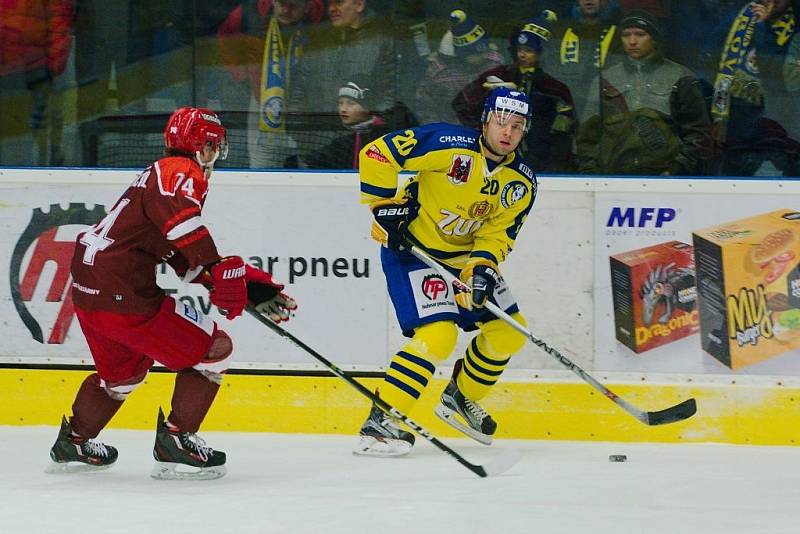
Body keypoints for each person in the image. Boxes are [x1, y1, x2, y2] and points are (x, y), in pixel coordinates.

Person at [47, 107, 298, 479]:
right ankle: (177, 441)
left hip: (90, 286)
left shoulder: (158, 173)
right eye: (213, 146)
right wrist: (221, 272)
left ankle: (75, 441)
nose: (215, 155)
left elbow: (176, 250)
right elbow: (186, 231)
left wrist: (241, 282)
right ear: (202, 145)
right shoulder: (182, 172)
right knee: (215, 351)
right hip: (123, 291)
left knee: (122, 375)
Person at [355, 88, 536, 456]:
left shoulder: (521, 183)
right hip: (413, 254)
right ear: (485, 120)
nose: (508, 131)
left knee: (509, 332)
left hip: (464, 260)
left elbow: (497, 234)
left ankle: (459, 398)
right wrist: (382, 206)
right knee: (438, 335)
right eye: (501, 121)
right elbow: (377, 154)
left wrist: (481, 268)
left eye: (517, 126)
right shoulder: (446, 143)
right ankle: (382, 419)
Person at [577, 10, 711, 175]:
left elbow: (698, 135)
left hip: (665, 178)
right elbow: (586, 137)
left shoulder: (680, 77)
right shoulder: (606, 79)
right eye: (626, 35)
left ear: (654, 39)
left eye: (640, 34)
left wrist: (675, 171)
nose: (632, 41)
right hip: (612, 178)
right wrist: (591, 173)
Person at [452, 11, 577, 172]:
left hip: (541, 159)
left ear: (541, 52)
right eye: (520, 49)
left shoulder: (555, 88)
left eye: (529, 50)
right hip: (495, 155)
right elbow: (461, 104)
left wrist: (554, 162)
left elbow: (564, 132)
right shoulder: (498, 75)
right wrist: (483, 129)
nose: (522, 54)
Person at [217, 0, 324, 168]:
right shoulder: (249, 11)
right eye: (282, 3)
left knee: (310, 159)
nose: (286, 10)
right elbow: (225, 35)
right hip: (264, 97)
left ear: (307, 6)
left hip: (306, 101)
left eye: (294, 5)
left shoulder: (319, 14)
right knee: (262, 161)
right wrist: (242, 75)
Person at [302, 77, 415, 169]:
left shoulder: (386, 135)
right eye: (340, 103)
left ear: (367, 107)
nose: (343, 109)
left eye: (350, 103)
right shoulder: (344, 140)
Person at [415, 10, 504, 125]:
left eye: (485, 50)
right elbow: (424, 105)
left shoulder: (495, 63)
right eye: (476, 53)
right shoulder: (439, 72)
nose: (483, 56)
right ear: (462, 55)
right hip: (447, 129)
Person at [544, 0, 619, 118]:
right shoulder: (560, 30)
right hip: (564, 103)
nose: (589, 1)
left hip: (601, 106)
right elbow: (550, 70)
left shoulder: (617, 34)